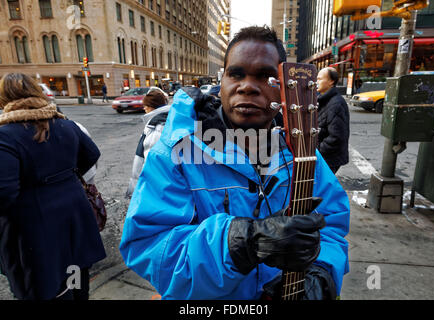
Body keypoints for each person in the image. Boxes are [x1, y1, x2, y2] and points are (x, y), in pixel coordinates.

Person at [120, 26, 349, 300]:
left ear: (284, 90)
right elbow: (148, 248)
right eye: (236, 74)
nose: (248, 86)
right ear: (223, 82)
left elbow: (332, 227)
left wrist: (320, 276)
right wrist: (242, 243)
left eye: (265, 76)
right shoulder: (177, 153)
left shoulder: (301, 151)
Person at [0, 73, 106, 300]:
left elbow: (4, 193)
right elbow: (91, 156)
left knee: (44, 289)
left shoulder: (5, 136)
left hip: (34, 230)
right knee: (76, 281)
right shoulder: (66, 124)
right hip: (75, 218)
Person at [125, 89, 170, 197]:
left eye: (146, 105)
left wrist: (138, 187)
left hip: (155, 184)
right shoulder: (164, 120)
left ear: (152, 106)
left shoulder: (157, 126)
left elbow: (149, 157)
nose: (144, 108)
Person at [316, 67, 350, 174]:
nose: (316, 82)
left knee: (321, 188)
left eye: (320, 79)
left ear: (331, 81)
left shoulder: (336, 103)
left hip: (329, 159)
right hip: (324, 157)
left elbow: (336, 137)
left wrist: (317, 151)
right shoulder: (323, 99)